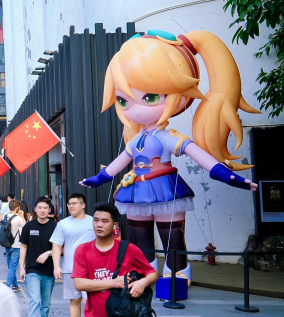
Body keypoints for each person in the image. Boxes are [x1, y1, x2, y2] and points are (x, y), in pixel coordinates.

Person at [80, 30, 258, 282]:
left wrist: (228, 176)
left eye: (150, 97)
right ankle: (144, 274)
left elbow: (202, 158)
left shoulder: (168, 137)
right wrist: (97, 179)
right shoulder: (135, 140)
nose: (135, 108)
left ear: (181, 96)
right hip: (137, 190)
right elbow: (116, 165)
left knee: (172, 238)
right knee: (140, 239)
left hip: (165, 188)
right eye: (123, 100)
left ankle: (177, 274)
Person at [72, 203, 158, 317]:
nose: (99, 225)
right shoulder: (83, 250)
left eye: (104, 221)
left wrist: (142, 283)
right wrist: (113, 283)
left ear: (114, 225)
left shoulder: (129, 249)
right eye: (96, 220)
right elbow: (79, 283)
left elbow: (152, 273)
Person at [50, 193, 96, 317]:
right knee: (74, 300)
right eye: (69, 204)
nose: (71, 206)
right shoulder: (63, 224)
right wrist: (57, 266)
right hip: (71, 268)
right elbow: (56, 245)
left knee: (92, 301)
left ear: (83, 205)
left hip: (92, 268)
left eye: (74, 203)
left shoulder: (93, 222)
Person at [19, 196, 56, 317]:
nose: (42, 210)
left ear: (49, 210)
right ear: (35, 209)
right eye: (40, 207)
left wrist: (48, 253)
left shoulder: (55, 227)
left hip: (49, 270)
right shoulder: (28, 226)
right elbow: (23, 247)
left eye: (45, 208)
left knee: (45, 303)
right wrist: (21, 267)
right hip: (32, 269)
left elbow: (60, 248)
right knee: (35, 300)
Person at [3, 199, 25, 292]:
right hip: (16, 245)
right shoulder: (18, 219)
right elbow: (26, 227)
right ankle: (7, 286)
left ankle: (15, 285)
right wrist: (22, 216)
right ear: (17, 208)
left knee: (10, 267)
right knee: (13, 267)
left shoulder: (5, 216)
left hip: (7, 244)